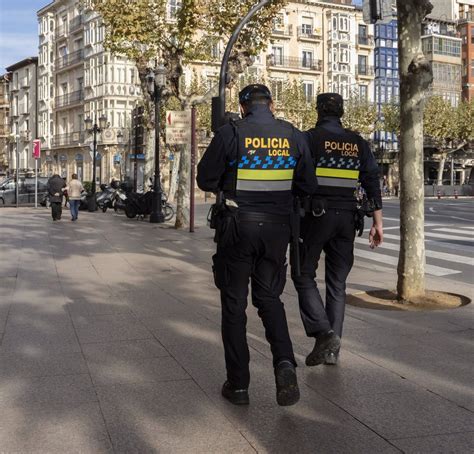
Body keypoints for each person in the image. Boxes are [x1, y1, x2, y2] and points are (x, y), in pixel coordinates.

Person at [197, 84, 317, 407]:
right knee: (269, 299)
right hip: (277, 230)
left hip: (237, 228)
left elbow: (204, 178)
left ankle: (238, 385)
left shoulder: (231, 133)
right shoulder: (293, 136)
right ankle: (285, 363)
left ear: (243, 105)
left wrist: (229, 179)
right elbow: (308, 184)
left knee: (234, 306)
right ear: (272, 104)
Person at [292, 93, 384, 367]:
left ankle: (325, 333)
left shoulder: (308, 139)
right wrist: (378, 222)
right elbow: (371, 182)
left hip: (314, 217)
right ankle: (332, 352)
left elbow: (296, 177)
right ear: (342, 112)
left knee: (303, 274)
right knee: (337, 284)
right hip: (347, 219)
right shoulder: (357, 143)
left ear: (318, 110)